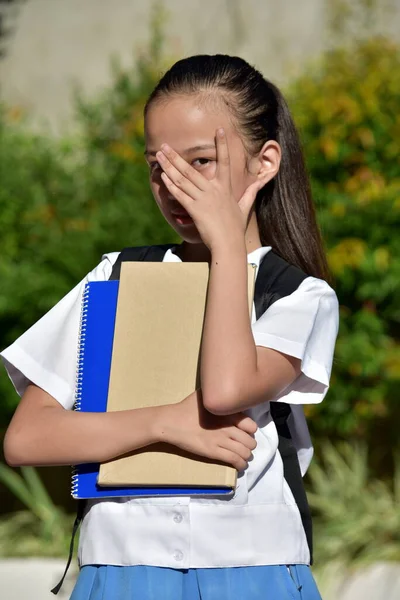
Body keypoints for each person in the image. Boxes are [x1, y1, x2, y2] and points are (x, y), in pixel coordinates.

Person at [1, 55, 339, 600]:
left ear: (265, 162)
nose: (173, 184)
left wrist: (228, 244)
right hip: (120, 570)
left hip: (253, 573)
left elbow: (227, 389)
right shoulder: (117, 276)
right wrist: (164, 422)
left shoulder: (298, 295)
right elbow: (26, 438)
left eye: (200, 160)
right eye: (157, 166)